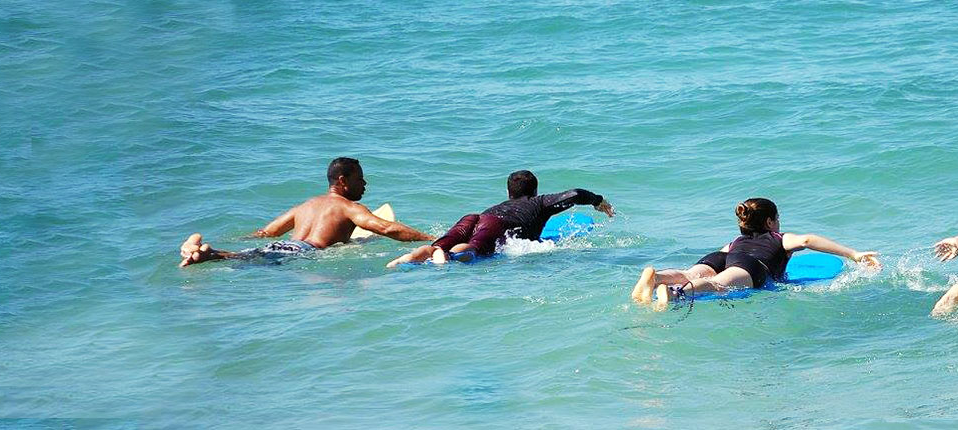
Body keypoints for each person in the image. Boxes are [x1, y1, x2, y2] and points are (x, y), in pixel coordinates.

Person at [629, 198, 881, 310]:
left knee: (689, 273)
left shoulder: (736, 240)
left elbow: (723, 256)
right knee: (717, 285)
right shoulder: (779, 239)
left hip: (725, 255)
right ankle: (676, 293)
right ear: (771, 222)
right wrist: (854, 254)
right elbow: (807, 240)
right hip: (752, 266)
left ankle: (658, 277)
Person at [178, 157, 435, 267]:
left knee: (246, 257)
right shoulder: (349, 208)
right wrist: (429, 239)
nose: (365, 184)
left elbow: (267, 232)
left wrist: (243, 239)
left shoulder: (306, 205)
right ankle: (207, 254)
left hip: (285, 245)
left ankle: (204, 252)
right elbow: (387, 228)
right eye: (360, 179)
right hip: (305, 252)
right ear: (343, 181)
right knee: (251, 263)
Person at [384, 170, 614, 267]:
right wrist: (598, 201)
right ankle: (446, 256)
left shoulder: (500, 204)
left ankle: (424, 252)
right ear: (534, 191)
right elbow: (574, 194)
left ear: (508, 193)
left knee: (445, 242)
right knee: (473, 249)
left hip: (476, 216)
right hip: (497, 226)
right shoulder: (538, 202)